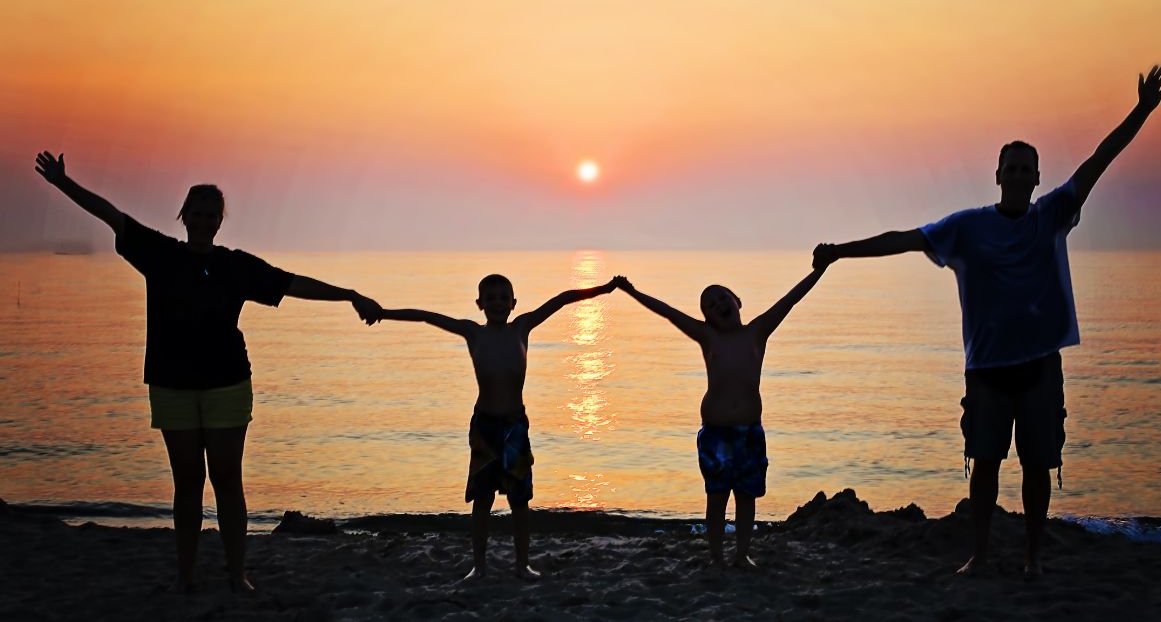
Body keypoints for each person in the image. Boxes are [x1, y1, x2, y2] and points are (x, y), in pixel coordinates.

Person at [812, 65, 1161, 578]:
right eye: (1013, 168)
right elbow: (905, 239)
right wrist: (840, 252)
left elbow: (1100, 160)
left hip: (1040, 366)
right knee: (984, 466)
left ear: (1038, 178)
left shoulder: (1052, 214)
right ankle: (979, 555)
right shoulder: (967, 227)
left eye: (1029, 169)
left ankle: (1032, 559)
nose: (1021, 176)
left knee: (1038, 466)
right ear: (998, 176)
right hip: (986, 370)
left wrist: (1141, 110)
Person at [34, 152, 381, 593]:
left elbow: (291, 284)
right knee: (187, 484)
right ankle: (185, 577)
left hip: (227, 383)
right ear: (183, 216)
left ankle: (237, 574)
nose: (202, 222)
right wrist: (63, 183)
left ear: (219, 222)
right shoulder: (159, 253)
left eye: (210, 216)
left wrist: (350, 294)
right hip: (172, 384)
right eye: (195, 214)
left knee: (226, 480)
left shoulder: (236, 266)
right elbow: (111, 215)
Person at [368, 273, 619, 581]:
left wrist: (604, 289)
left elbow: (562, 299)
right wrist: (383, 313)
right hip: (485, 426)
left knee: (519, 501)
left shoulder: (522, 327)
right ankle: (479, 566)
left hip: (514, 426)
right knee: (482, 500)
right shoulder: (472, 332)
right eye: (491, 299)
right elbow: (425, 317)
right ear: (480, 304)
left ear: (514, 303)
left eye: (504, 298)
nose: (497, 303)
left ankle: (522, 564)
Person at [614, 263, 827, 569]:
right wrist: (632, 291)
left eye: (722, 298)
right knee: (716, 499)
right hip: (716, 434)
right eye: (709, 306)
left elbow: (791, 299)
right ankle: (716, 557)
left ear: (737, 301)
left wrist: (820, 269)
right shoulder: (707, 337)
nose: (718, 305)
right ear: (706, 318)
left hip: (749, 433)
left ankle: (742, 554)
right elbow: (668, 312)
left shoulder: (758, 331)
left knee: (746, 497)